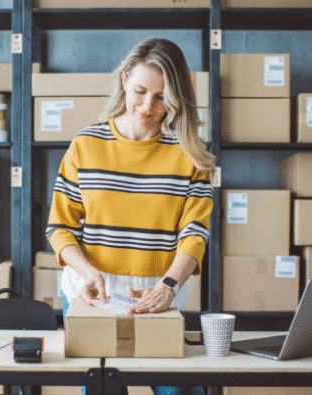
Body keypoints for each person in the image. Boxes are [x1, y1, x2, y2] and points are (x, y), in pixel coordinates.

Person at [46, 37, 215, 395]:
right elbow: (60, 227)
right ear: (124, 80)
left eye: (161, 97)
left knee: (178, 391)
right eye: (140, 91)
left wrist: (169, 285)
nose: (147, 107)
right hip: (92, 295)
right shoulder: (85, 145)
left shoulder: (189, 154)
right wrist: (87, 271)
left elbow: (195, 233)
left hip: (159, 295)